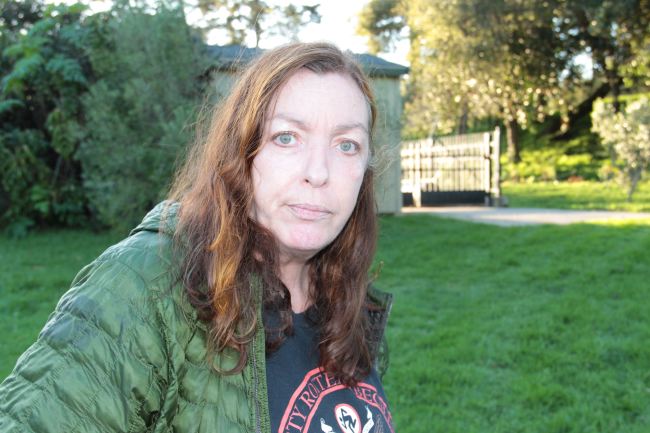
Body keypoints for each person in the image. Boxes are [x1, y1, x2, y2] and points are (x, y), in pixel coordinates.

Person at [0, 42, 394, 433]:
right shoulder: (146, 286)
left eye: (347, 145)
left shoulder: (342, 298)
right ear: (241, 150)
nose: (319, 172)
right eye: (287, 137)